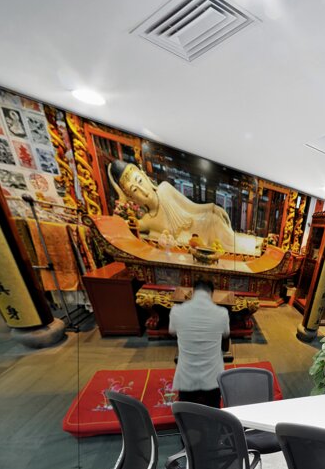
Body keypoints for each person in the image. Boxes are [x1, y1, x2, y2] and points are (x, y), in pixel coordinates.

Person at [108, 160, 263, 256]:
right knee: (225, 239)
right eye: (134, 190)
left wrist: (213, 207)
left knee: (218, 224)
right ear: (132, 197)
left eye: (140, 181)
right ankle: (251, 245)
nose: (142, 190)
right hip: (189, 240)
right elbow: (131, 226)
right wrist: (123, 214)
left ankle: (252, 246)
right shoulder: (148, 220)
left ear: (145, 177)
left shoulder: (165, 189)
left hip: (198, 223)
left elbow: (192, 207)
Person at [168, 279, 229, 407]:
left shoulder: (176, 311)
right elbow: (226, 334)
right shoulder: (222, 313)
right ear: (212, 293)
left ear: (193, 291)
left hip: (186, 378)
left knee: (187, 414)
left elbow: (172, 331)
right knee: (214, 414)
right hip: (212, 379)